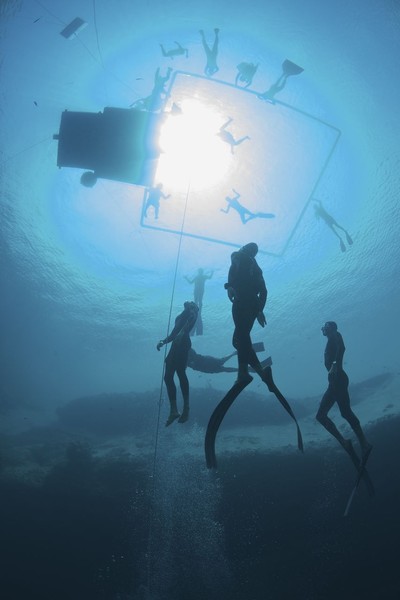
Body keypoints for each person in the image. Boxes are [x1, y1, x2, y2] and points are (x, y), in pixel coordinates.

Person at [316, 321, 372, 459]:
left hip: (338, 381)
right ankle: (352, 442)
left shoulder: (336, 336)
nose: (323, 328)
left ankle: (361, 443)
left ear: (332, 328)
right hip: (335, 383)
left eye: (326, 326)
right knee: (341, 413)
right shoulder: (331, 340)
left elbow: (341, 348)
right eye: (324, 326)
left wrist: (335, 364)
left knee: (327, 415)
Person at [224, 243, 269, 383]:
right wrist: (259, 310)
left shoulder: (238, 255)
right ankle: (261, 372)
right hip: (253, 305)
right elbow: (264, 291)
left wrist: (229, 286)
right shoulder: (256, 268)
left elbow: (234, 270)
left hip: (241, 300)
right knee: (241, 338)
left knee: (240, 338)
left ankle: (243, 372)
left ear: (244, 248)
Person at [157, 301, 199, 426]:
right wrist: (163, 341)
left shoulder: (192, 311)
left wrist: (181, 333)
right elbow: (173, 333)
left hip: (183, 342)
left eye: (191, 302)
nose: (188, 301)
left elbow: (190, 320)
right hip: (175, 344)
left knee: (180, 372)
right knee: (168, 376)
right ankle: (174, 410)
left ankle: (186, 408)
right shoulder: (180, 316)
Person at [187, 347, 272, 374]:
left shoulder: (186, 352)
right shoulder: (186, 353)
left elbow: (193, 355)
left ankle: (236, 353)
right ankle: (236, 354)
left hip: (205, 363)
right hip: (205, 365)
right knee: (223, 365)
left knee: (222, 364)